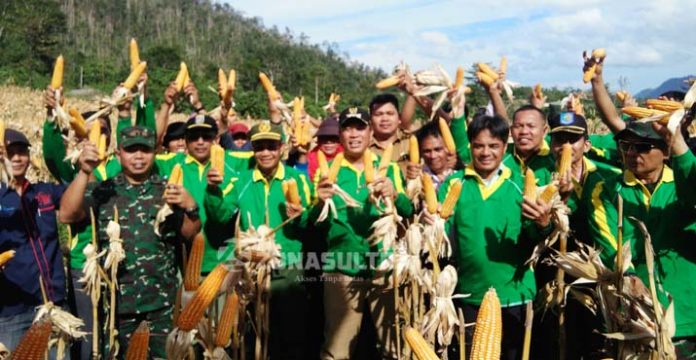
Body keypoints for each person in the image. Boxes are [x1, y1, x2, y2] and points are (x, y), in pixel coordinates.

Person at [59, 126, 200, 357]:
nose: (138, 156)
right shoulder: (104, 190)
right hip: (117, 309)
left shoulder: (167, 190)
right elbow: (66, 214)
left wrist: (191, 207)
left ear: (154, 153)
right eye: (131, 150)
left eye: (144, 150)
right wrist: (84, 172)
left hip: (162, 307)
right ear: (118, 153)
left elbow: (190, 233)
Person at [433, 114, 549, 359]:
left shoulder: (521, 184)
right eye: (479, 146)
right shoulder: (454, 184)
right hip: (468, 295)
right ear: (470, 146)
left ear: (505, 146)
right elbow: (440, 237)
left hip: (515, 297)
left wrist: (542, 224)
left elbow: (534, 238)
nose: (486, 152)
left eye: (493, 146)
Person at [585, 120, 696, 357]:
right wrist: (630, 277)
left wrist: (679, 144)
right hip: (637, 317)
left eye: (643, 146)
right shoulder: (607, 190)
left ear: (665, 152)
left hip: (687, 315)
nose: (632, 153)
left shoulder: (682, 185)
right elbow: (608, 239)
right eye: (626, 146)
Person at [205, 120, 314, 358]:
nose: (265, 152)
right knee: (251, 334)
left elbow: (310, 225)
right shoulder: (241, 181)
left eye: (271, 146)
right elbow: (220, 215)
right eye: (260, 146)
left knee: (290, 336)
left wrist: (299, 218)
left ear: (282, 147)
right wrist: (212, 191)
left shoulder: (299, 180)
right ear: (253, 149)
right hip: (250, 268)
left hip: (288, 268)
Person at [314, 107, 414, 359]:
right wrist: (318, 202)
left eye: (360, 127)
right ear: (340, 134)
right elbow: (313, 223)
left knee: (395, 348)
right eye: (347, 128)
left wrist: (395, 194)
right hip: (342, 269)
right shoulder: (326, 173)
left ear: (371, 133)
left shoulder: (389, 170)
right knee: (337, 349)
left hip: (384, 269)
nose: (354, 134)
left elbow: (408, 211)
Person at [0, 128, 67, 355]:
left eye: (22, 152)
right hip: (12, 312)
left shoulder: (43, 193)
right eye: (10, 153)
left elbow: (73, 196)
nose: (17, 158)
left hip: (53, 306)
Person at [405, 120, 458, 192]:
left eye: (437, 149)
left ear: (447, 148)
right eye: (427, 151)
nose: (432, 156)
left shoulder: (461, 175)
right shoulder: (418, 178)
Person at [307, 116, 343, 181]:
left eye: (333, 138)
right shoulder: (310, 157)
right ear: (318, 141)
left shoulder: (348, 155)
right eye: (324, 138)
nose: (328, 142)